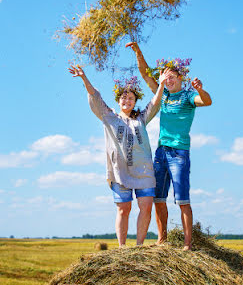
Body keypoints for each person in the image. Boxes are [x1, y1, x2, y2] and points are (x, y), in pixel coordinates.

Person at [68, 65, 172, 247]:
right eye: (124, 97)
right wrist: (84, 78)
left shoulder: (141, 118)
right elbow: (96, 98)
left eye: (131, 98)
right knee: (124, 209)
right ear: (118, 100)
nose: (127, 100)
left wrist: (161, 84)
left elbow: (155, 104)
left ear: (135, 102)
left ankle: (139, 246)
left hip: (144, 171)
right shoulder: (109, 116)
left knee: (146, 207)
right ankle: (122, 248)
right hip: (119, 172)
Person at [126, 42, 212, 250]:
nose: (169, 79)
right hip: (161, 151)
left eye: (173, 76)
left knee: (182, 200)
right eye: (166, 76)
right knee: (158, 198)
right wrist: (138, 51)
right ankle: (161, 240)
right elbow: (145, 74)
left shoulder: (189, 95)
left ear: (180, 78)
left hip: (179, 153)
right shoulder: (162, 94)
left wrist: (200, 88)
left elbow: (207, 101)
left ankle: (187, 244)